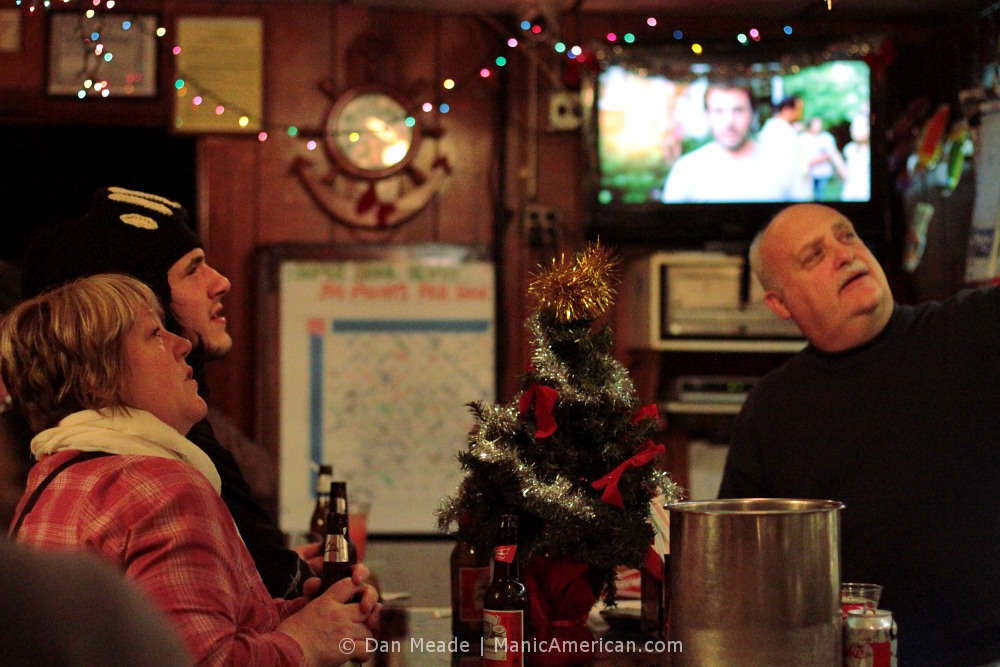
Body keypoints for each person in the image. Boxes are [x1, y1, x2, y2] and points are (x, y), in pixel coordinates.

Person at [1, 274, 379, 666]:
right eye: (154, 334)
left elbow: (178, 632)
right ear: (97, 380)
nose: (183, 344)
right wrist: (305, 643)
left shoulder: (53, 480)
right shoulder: (163, 488)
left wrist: (310, 616)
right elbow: (200, 660)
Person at [718, 203, 1000, 667]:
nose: (844, 254)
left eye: (847, 236)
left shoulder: (973, 331)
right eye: (814, 255)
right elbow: (739, 576)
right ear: (780, 303)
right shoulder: (770, 409)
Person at [20, 186, 318, 599]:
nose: (222, 281)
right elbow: (209, 657)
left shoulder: (72, 456)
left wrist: (250, 560)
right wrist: (316, 622)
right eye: (193, 269)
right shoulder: (157, 476)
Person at [660, 83, 803, 202]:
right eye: (718, 111)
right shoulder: (686, 170)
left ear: (752, 114)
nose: (729, 121)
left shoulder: (784, 164)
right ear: (708, 116)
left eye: (738, 110)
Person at [757, 94, 812, 201]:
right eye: (800, 109)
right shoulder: (776, 130)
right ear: (787, 109)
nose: (801, 113)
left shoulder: (784, 128)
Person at [798, 117, 848, 200]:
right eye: (816, 123)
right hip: (809, 173)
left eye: (819, 123)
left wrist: (813, 161)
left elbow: (832, 153)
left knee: (821, 197)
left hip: (823, 173)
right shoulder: (803, 138)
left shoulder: (826, 137)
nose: (818, 126)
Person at [841, 112, 872, 201]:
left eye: (860, 126)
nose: (854, 129)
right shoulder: (849, 149)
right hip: (848, 195)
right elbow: (847, 175)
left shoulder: (869, 152)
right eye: (853, 126)